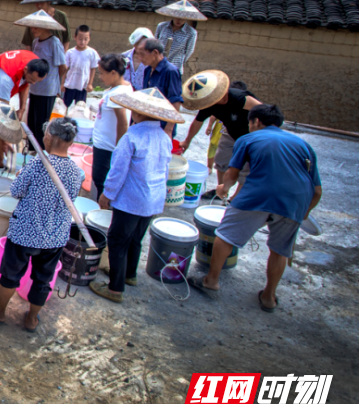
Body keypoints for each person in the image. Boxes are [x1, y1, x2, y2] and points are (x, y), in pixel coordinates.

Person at [190, 105, 322, 313]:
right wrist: (302, 213)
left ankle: (211, 280)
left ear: (256, 121)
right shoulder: (304, 145)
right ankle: (269, 297)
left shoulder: (248, 139)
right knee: (280, 250)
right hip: (296, 201)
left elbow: (231, 175)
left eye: (250, 123)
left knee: (225, 235)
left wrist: (223, 189)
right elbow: (317, 191)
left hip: (259, 194)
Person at [0, 118, 84, 332]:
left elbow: (16, 191)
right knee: (43, 279)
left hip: (26, 232)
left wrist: (21, 176)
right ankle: (32, 319)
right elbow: (70, 198)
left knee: (11, 274)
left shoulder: (38, 164)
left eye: (45, 134)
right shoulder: (76, 171)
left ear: (51, 138)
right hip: (55, 236)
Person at [89, 88, 182, 304]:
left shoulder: (131, 137)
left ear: (137, 113)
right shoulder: (164, 137)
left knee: (117, 241)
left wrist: (106, 194)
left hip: (132, 200)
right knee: (135, 240)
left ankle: (114, 288)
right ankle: (129, 275)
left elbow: (117, 171)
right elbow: (165, 169)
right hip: (153, 199)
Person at [179, 72, 261, 201]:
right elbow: (198, 121)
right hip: (230, 132)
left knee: (246, 168)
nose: (222, 100)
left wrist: (261, 133)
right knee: (221, 159)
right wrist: (187, 141)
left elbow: (261, 110)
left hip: (251, 135)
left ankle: (236, 198)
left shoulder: (239, 98)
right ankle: (221, 190)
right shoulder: (210, 103)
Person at [0, 49, 49, 166]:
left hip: (1, 90)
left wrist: (22, 108)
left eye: (36, 81)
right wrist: (5, 142)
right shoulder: (7, 77)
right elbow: (2, 113)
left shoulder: (33, 62)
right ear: (25, 70)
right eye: (33, 80)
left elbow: (26, 83)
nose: (33, 83)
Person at [16, 10, 67, 151]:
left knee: (42, 126)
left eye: (37, 26)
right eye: (32, 27)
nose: (33, 30)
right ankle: (32, 150)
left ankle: (41, 154)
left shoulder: (54, 42)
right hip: (35, 89)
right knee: (32, 123)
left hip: (47, 91)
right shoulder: (35, 42)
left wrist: (55, 84)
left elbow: (63, 67)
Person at [90, 54, 132, 200]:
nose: (100, 77)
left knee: (101, 180)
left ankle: (103, 214)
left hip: (107, 147)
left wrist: (120, 147)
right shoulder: (122, 88)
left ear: (113, 73)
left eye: (102, 73)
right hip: (104, 144)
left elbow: (123, 122)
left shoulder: (118, 93)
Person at [136, 38, 183, 136]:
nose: (140, 58)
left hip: (162, 126)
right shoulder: (148, 70)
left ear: (155, 53)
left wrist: (169, 129)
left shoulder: (170, 71)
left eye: (142, 54)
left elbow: (175, 101)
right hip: (147, 122)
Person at [154, 0, 206, 75]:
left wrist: (180, 61)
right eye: (177, 16)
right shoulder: (162, 26)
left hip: (175, 67)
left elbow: (189, 51)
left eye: (183, 17)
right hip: (157, 64)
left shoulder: (191, 32)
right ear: (173, 15)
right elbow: (155, 43)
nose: (179, 20)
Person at [62, 25, 99, 109]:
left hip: (82, 85)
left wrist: (90, 84)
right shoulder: (70, 52)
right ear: (75, 37)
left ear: (89, 38)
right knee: (65, 106)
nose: (82, 41)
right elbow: (65, 69)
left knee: (80, 108)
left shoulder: (92, 53)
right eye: (80, 38)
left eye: (86, 39)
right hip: (70, 85)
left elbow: (93, 69)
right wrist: (62, 83)